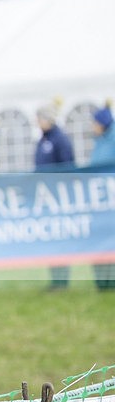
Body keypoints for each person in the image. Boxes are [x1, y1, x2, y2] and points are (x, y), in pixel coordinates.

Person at [34, 104, 75, 290]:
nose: (37, 123)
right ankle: (56, 279)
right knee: (51, 239)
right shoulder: (42, 140)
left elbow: (67, 166)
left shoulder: (60, 139)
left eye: (39, 119)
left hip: (58, 197)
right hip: (45, 196)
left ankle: (62, 280)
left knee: (60, 239)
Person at [89, 102, 115, 291]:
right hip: (98, 199)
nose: (92, 126)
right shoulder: (98, 142)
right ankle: (102, 281)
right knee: (98, 241)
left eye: (95, 122)